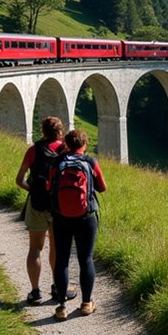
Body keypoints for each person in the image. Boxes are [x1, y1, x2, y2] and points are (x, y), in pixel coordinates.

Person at [15, 116, 76, 304]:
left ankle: (35, 292)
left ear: (43, 131)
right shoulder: (66, 150)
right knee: (56, 248)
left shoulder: (33, 150)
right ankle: (58, 288)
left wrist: (32, 190)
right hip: (59, 206)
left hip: (37, 203)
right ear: (60, 131)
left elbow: (19, 180)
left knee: (35, 248)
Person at [48, 129, 107, 320]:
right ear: (84, 144)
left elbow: (50, 187)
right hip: (86, 216)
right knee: (86, 258)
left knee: (62, 260)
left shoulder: (58, 162)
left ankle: (62, 306)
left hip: (61, 217)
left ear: (67, 144)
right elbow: (102, 187)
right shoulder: (90, 162)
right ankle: (86, 303)